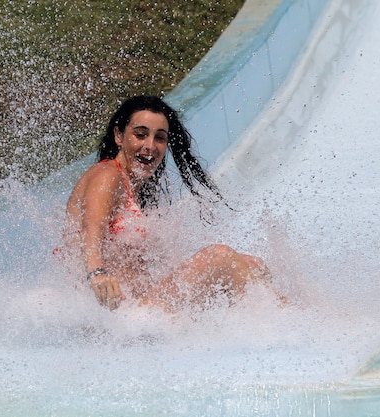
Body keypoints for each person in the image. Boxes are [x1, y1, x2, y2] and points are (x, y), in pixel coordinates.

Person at [64, 95, 271, 311]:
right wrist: (97, 273)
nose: (150, 146)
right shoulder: (107, 175)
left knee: (253, 265)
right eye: (140, 135)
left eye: (160, 138)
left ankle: (258, 322)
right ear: (119, 135)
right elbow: (92, 225)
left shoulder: (132, 187)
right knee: (219, 257)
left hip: (138, 306)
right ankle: (281, 318)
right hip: (117, 314)